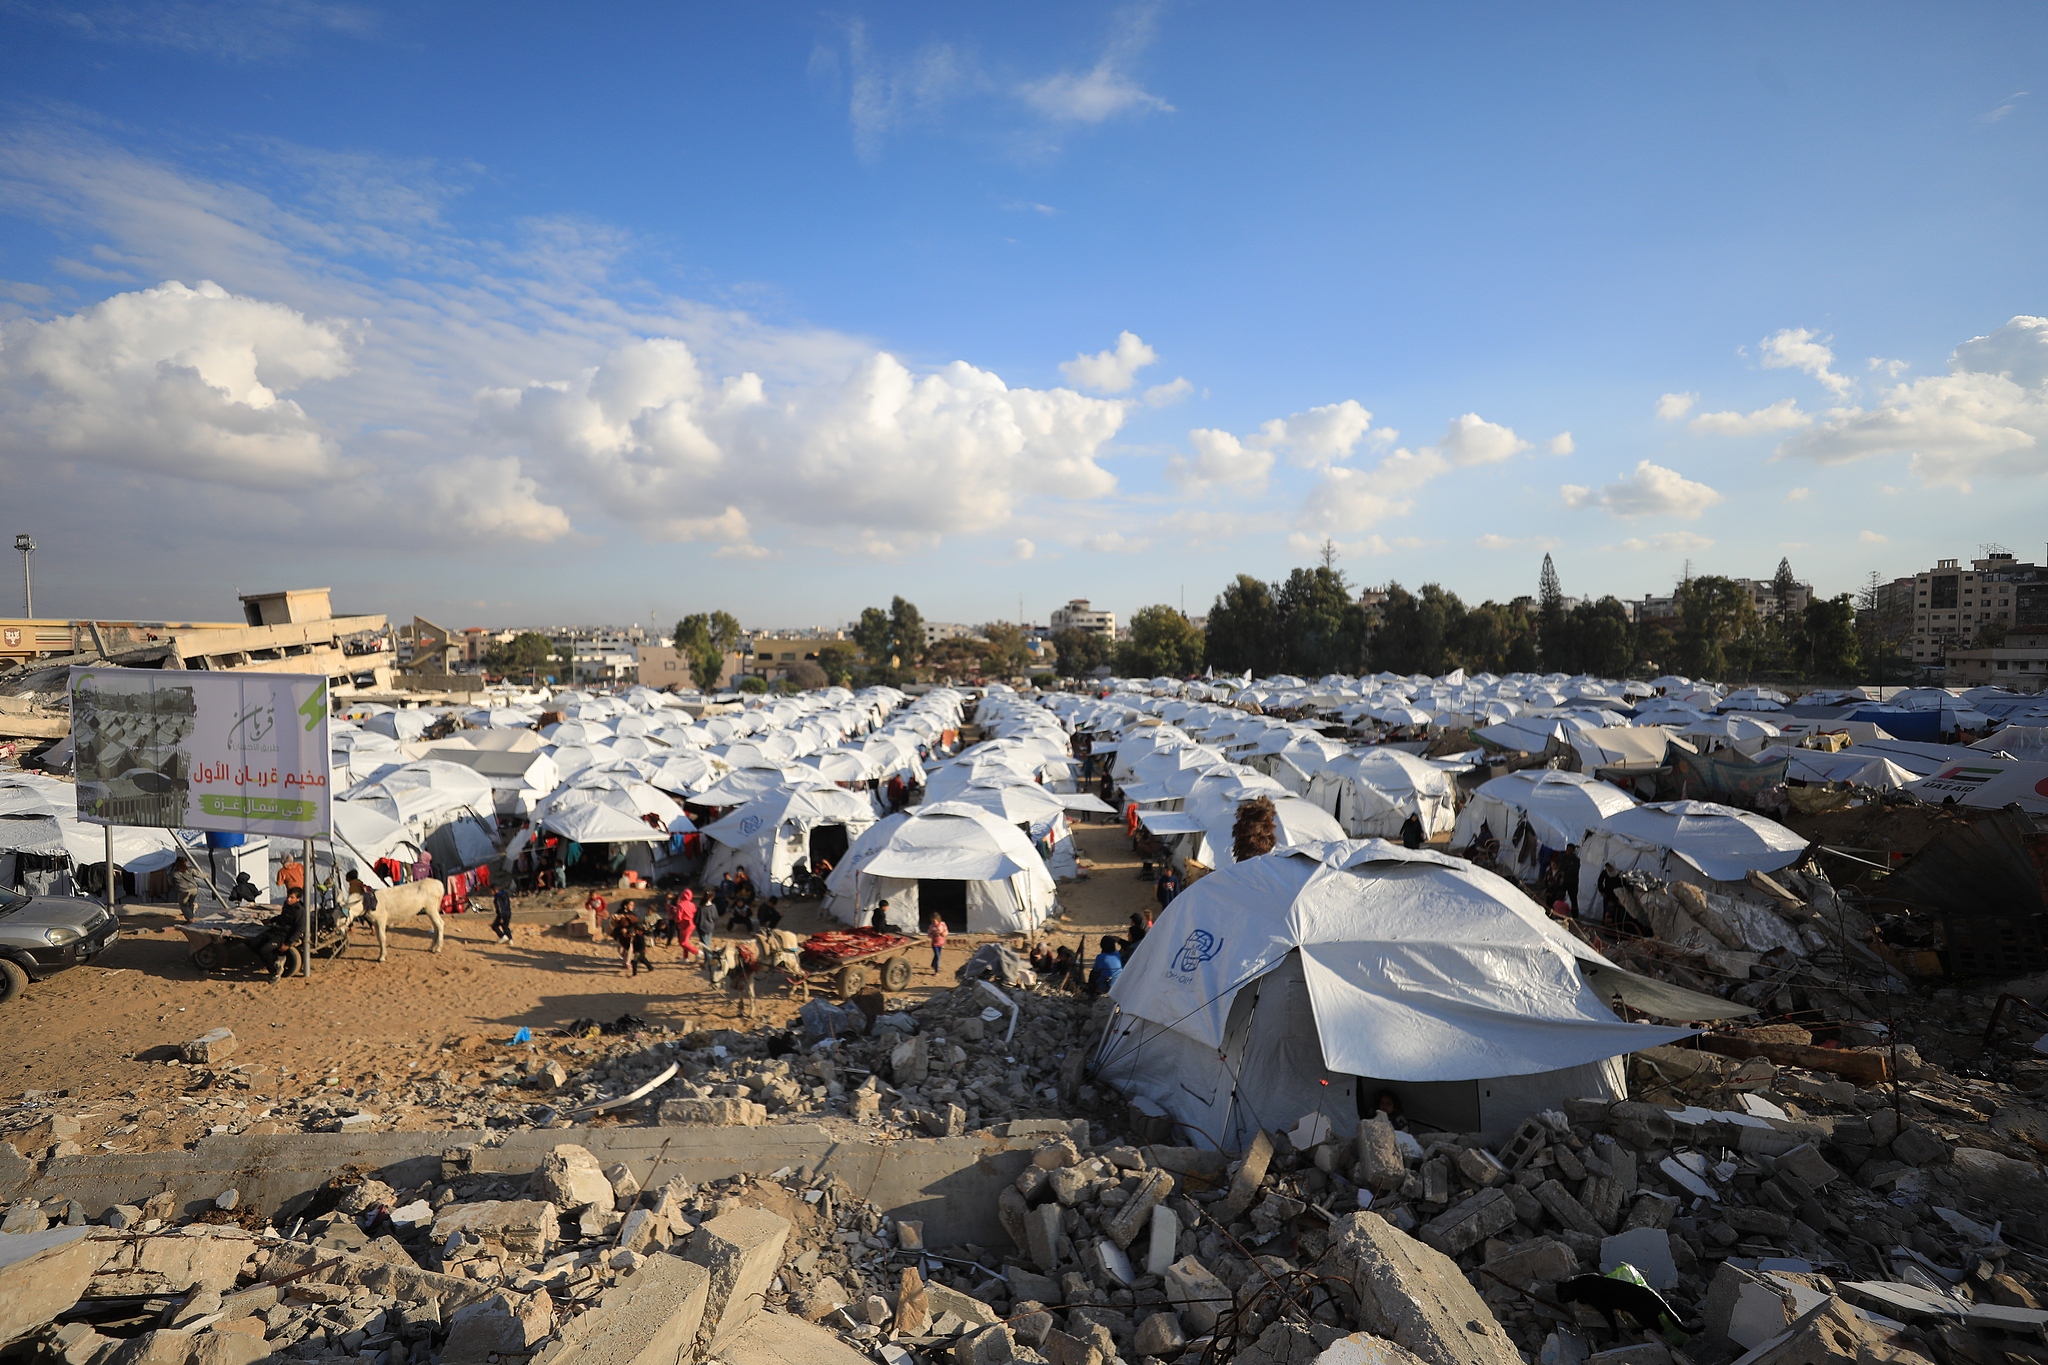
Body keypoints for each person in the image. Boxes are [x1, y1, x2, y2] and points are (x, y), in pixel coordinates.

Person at [612, 904, 651, 977]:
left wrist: (638, 950)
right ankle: (650, 968)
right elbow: (615, 926)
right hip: (626, 940)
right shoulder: (636, 934)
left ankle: (634, 973)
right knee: (642, 960)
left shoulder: (639, 935)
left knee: (635, 961)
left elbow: (641, 942)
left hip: (639, 950)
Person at [1554, 843, 1582, 918]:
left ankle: (1575, 915)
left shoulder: (1576, 860)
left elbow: (1573, 870)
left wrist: (1565, 870)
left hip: (1572, 882)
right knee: (1559, 896)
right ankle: (1558, 911)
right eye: (1568, 849)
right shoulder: (1563, 857)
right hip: (1563, 880)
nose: (1568, 851)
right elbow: (1560, 866)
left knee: (1573, 899)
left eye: (1570, 850)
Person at [675, 889, 699, 959]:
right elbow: (695, 913)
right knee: (686, 941)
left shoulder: (680, 905)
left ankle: (697, 952)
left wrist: (677, 922)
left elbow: (678, 917)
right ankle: (685, 957)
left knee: (683, 943)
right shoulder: (692, 904)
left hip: (684, 924)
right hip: (692, 924)